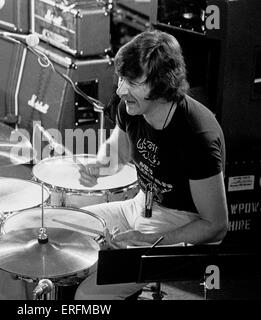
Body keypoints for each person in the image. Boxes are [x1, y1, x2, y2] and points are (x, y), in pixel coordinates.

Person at [75, 30, 229, 300]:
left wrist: (148, 241)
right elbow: (118, 153)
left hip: (184, 220)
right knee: (68, 231)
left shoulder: (197, 137)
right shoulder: (131, 106)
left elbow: (216, 225)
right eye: (121, 79)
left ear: (161, 84)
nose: (121, 90)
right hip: (141, 203)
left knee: (88, 296)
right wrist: (97, 167)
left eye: (132, 82)